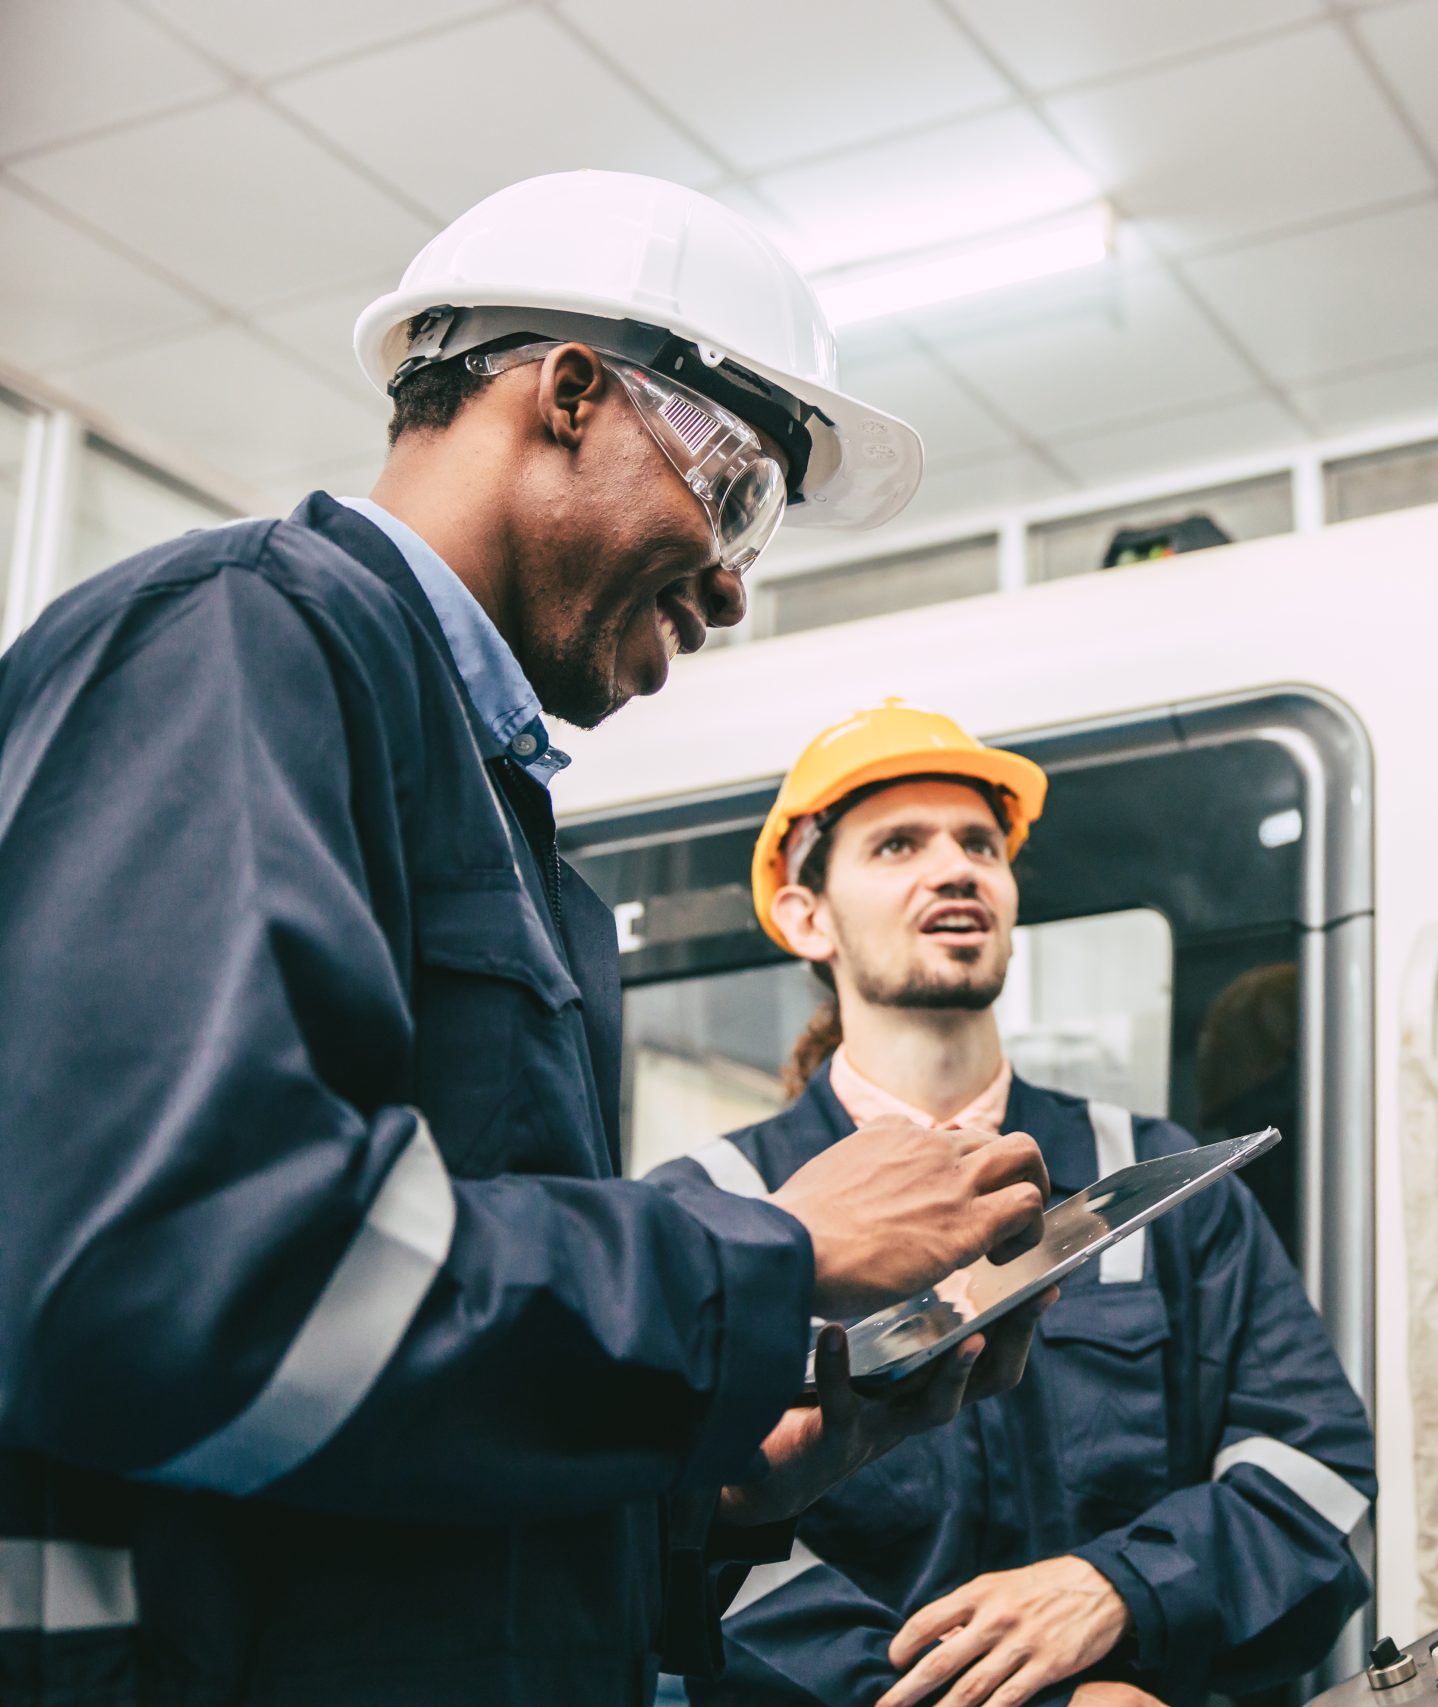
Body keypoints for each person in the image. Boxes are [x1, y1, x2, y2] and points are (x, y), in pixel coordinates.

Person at [0, 172, 1056, 1707]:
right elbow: (165, 1272)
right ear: (569, 394)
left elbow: (394, 1414)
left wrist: (708, 1493)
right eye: (741, 491)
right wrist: (767, 1254)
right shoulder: (241, 642)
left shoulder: (508, 827)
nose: (737, 586)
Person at [652, 701, 1377, 1707]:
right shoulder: (719, 1215)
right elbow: (684, 1541)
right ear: (806, 914)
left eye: (980, 844)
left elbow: (1314, 1476)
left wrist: (1119, 1588)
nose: (954, 868)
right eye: (897, 844)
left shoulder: (1161, 1183)